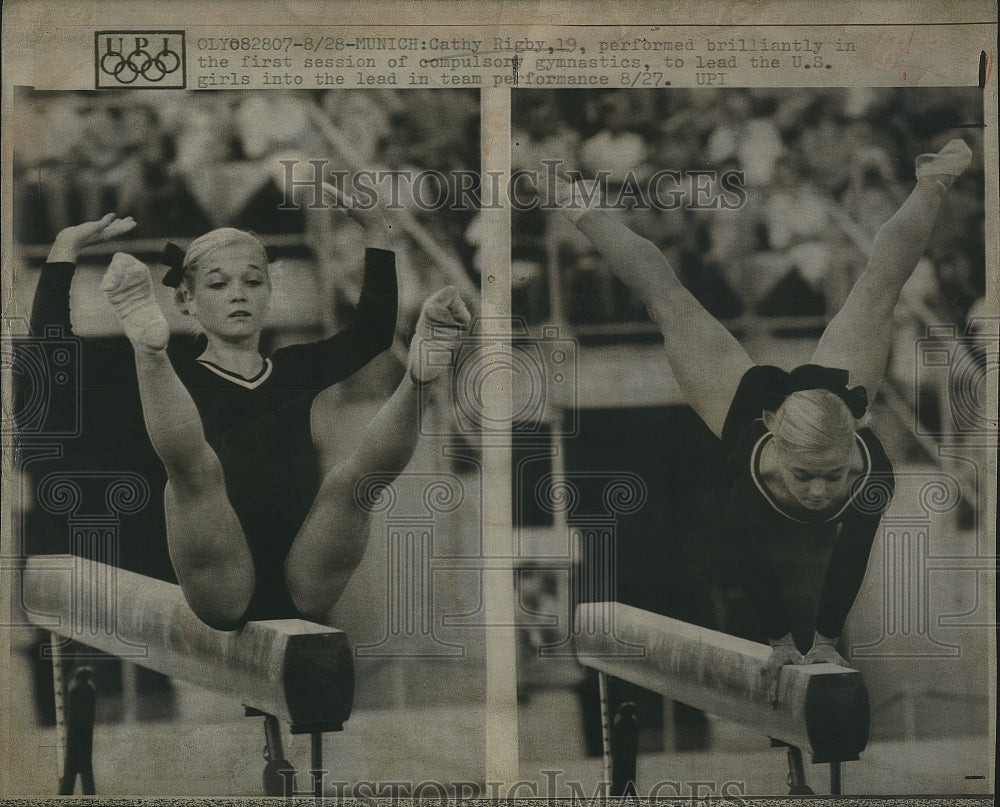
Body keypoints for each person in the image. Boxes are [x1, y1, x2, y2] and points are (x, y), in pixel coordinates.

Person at [543, 139, 972, 701]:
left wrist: (821, 640)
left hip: (826, 402)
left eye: (832, 476)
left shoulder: (871, 472)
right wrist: (780, 640)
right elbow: (748, 556)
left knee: (879, 283)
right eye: (805, 478)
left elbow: (851, 553)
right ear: (775, 437)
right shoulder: (747, 472)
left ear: (859, 434)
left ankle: (933, 181)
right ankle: (578, 204)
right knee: (664, 296)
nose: (820, 492)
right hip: (745, 411)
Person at [32, 207, 470, 631]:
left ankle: (420, 378)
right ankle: (149, 351)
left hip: (306, 576)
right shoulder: (180, 374)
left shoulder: (294, 370)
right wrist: (64, 246)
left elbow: (372, 333)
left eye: (253, 282)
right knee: (197, 470)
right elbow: (54, 353)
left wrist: (378, 230)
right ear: (186, 301)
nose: (238, 293)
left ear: (268, 294)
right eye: (218, 285)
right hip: (220, 587)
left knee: (353, 482)